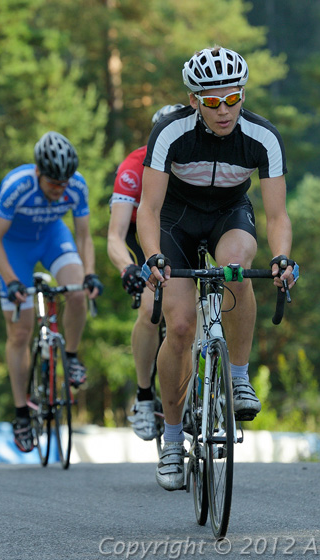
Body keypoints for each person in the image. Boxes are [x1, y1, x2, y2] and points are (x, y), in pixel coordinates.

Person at [137, 46, 299, 491]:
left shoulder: (262, 137)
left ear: (244, 95)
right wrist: (153, 257)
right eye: (212, 101)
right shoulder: (170, 133)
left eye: (233, 98)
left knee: (235, 268)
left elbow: (278, 216)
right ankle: (172, 441)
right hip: (176, 220)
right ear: (195, 101)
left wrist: (281, 257)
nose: (224, 110)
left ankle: (239, 377)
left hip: (230, 212)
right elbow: (147, 210)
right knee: (182, 326)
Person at [0, 131, 103, 453]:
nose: (59, 188)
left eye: (63, 182)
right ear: (38, 172)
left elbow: (84, 237)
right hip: (14, 247)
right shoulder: (17, 186)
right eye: (53, 182)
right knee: (20, 333)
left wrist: (90, 273)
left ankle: (73, 356)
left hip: (52, 237)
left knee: (77, 292)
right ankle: (21, 411)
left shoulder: (76, 185)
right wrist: (10, 280)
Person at [107, 103, 185, 441]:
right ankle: (142, 395)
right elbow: (115, 233)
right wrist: (127, 267)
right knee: (150, 310)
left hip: (181, 233)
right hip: (143, 237)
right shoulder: (133, 166)